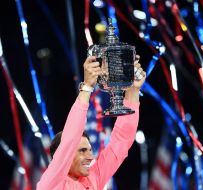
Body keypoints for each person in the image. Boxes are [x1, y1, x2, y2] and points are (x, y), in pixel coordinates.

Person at [36, 55, 146, 190]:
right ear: (63, 156)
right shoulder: (51, 183)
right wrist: (87, 87)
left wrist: (132, 91)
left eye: (89, 150)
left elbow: (121, 141)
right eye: (82, 151)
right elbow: (70, 140)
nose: (90, 156)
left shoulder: (93, 179)